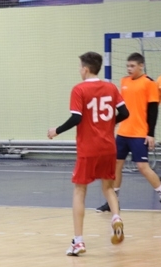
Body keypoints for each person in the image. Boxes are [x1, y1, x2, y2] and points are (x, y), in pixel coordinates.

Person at [48, 52, 129, 255]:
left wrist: (56, 131)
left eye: (79, 67)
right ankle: (116, 217)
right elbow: (125, 113)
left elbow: (76, 118)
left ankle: (79, 241)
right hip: (108, 147)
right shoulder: (111, 88)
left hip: (88, 148)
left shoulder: (79, 89)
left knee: (79, 191)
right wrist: (108, 123)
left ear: (85, 69)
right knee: (108, 187)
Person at [96, 53, 161, 214]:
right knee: (116, 165)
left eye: (132, 66)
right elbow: (122, 107)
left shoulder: (149, 83)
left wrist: (150, 133)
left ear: (141, 66)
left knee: (142, 167)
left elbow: (153, 111)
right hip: (123, 133)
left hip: (139, 133)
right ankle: (113, 201)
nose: (129, 69)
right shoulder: (124, 81)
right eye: (127, 66)